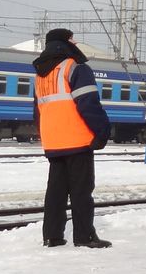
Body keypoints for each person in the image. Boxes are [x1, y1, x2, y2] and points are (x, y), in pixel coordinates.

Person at [33, 28, 112, 248]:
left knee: (55, 192)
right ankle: (84, 236)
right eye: (71, 39)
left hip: (54, 142)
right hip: (78, 140)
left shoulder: (40, 74)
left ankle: (52, 236)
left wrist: (46, 136)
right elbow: (88, 104)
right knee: (81, 192)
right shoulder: (74, 67)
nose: (75, 42)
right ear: (65, 43)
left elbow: (37, 112)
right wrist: (102, 131)